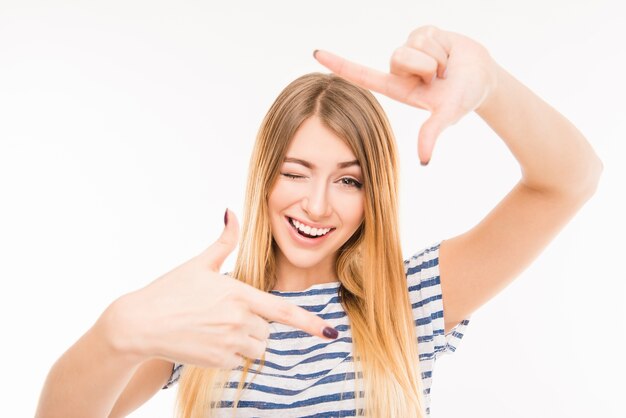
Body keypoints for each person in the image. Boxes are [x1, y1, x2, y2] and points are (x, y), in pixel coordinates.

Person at [35, 25, 603, 418]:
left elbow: (569, 180)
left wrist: (489, 84)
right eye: (296, 173)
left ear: (373, 193)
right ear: (264, 178)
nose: (317, 205)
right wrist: (116, 331)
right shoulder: (213, 314)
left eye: (349, 180)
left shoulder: (409, 299)